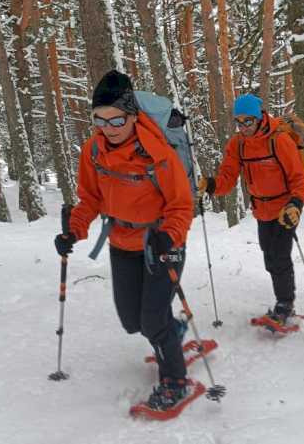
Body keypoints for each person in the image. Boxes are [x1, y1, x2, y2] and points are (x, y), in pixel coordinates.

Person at [53, 70, 195, 412]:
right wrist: (74, 230)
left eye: (116, 120)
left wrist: (169, 235)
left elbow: (181, 205)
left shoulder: (157, 153)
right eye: (99, 120)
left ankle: (175, 381)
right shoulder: (93, 151)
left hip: (162, 243)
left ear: (133, 116)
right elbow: (89, 198)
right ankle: (172, 331)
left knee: (151, 320)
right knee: (132, 322)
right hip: (121, 243)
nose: (108, 128)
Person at [196, 94, 304, 325]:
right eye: (239, 121)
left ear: (259, 118)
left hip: (286, 208)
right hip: (261, 209)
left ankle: (285, 305)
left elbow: (299, 178)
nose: (243, 127)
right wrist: (211, 185)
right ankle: (284, 300)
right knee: (269, 256)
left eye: (248, 121)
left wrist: (296, 204)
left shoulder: (279, 140)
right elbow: (227, 177)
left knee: (279, 256)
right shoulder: (238, 144)